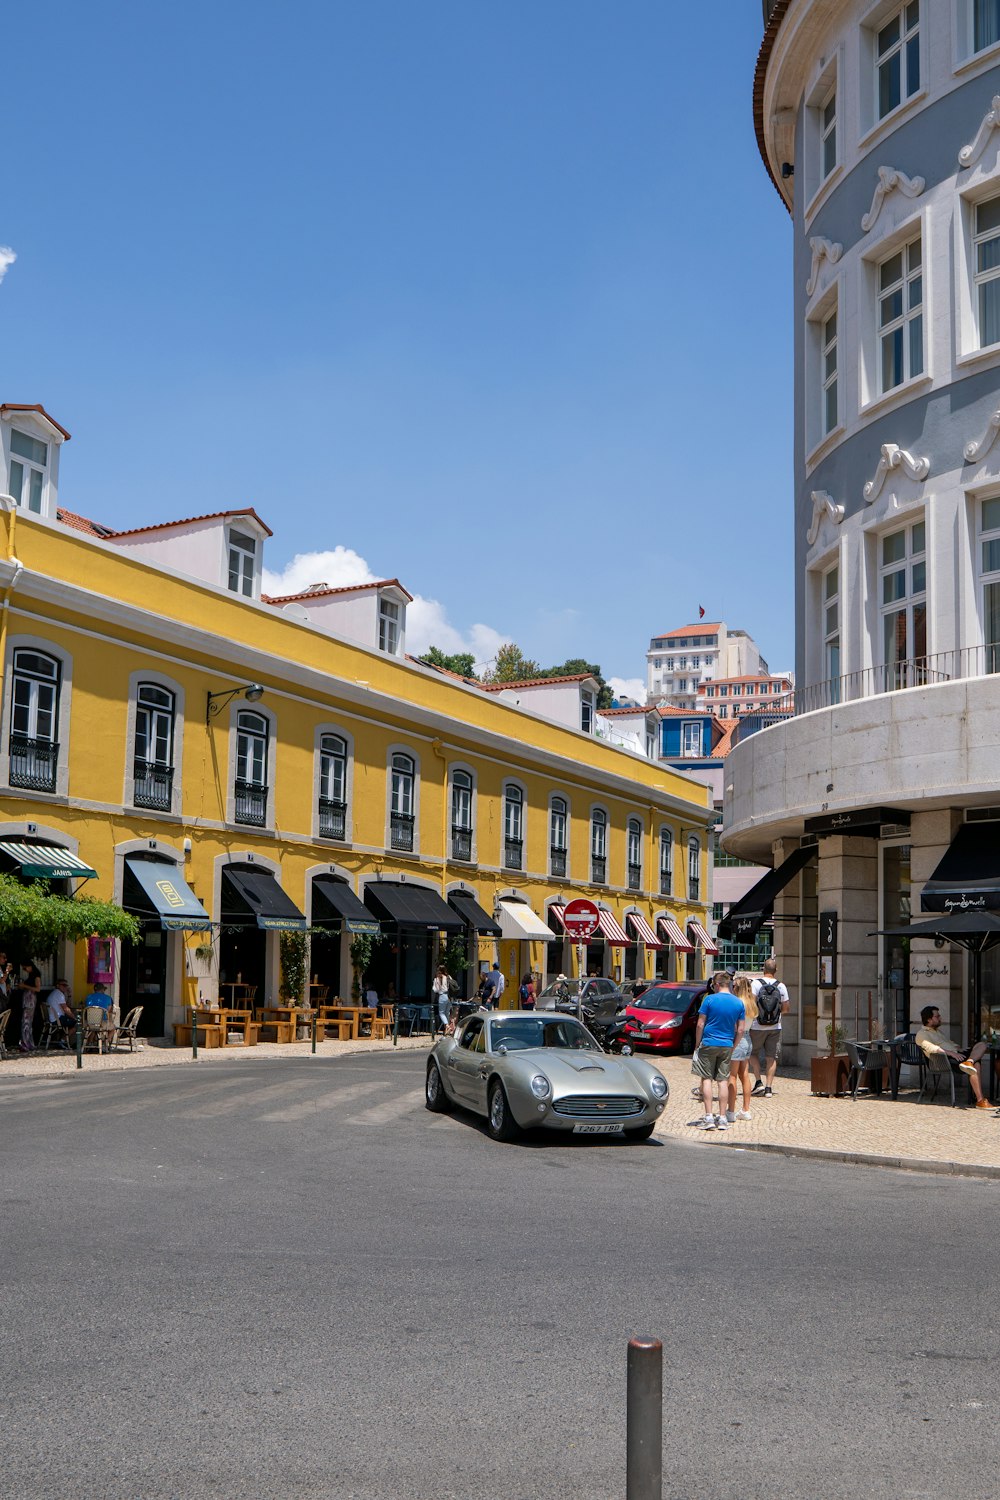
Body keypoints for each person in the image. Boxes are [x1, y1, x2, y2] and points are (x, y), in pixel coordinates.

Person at [690, 971, 745, 1131]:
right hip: (727, 1044)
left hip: (708, 1043)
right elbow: (740, 1029)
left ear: (717, 984)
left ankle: (708, 1117)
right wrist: (733, 1045)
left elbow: (700, 1024)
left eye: (714, 985)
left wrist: (697, 1043)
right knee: (723, 1081)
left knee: (706, 1079)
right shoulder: (738, 1003)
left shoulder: (709, 1000)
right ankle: (722, 1118)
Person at [915, 1005, 991, 1109]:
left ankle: (969, 1061)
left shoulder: (938, 1032)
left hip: (956, 1055)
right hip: (944, 1060)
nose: (940, 1018)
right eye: (937, 1016)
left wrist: (959, 1049)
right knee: (976, 1064)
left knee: (981, 1045)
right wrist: (952, 1053)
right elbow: (932, 1048)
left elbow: (950, 1043)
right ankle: (980, 1100)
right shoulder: (922, 1034)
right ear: (929, 1019)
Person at [749, 958, 790, 1098]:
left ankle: (758, 1082)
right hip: (775, 1026)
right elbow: (786, 1009)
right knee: (771, 1057)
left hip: (757, 1026)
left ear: (763, 969)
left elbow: (751, 1004)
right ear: (776, 970)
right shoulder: (781, 986)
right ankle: (768, 1088)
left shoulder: (755, 984)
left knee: (752, 1054)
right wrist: (774, 1014)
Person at [725, 972, 758, 1123]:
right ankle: (745, 1109)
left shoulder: (737, 1003)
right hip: (747, 1038)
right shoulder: (751, 1003)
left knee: (731, 1076)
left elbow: (734, 1026)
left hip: (737, 1038)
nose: (732, 988)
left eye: (734, 986)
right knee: (744, 1075)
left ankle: (730, 1111)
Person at [18, 961, 42, 1053]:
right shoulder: (30, 975)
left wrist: (25, 986)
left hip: (30, 1001)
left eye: (25, 968)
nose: (25, 970)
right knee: (27, 1023)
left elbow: (38, 989)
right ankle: (28, 1042)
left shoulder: (36, 976)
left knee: (26, 1022)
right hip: (27, 1000)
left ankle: (26, 1043)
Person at [46, 978, 76, 1046]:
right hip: (57, 1019)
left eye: (66, 985)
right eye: (63, 985)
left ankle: (63, 1040)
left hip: (52, 1018)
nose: (65, 987)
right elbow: (66, 1009)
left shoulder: (55, 993)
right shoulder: (59, 994)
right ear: (58, 985)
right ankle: (63, 1041)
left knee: (70, 1022)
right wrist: (75, 1018)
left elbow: (68, 1005)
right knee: (77, 1024)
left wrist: (69, 995)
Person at [431, 966, 452, 1034]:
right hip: (449, 997)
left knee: (441, 1013)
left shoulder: (437, 979)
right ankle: (446, 1030)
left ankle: (447, 1025)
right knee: (447, 1013)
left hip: (442, 996)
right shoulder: (448, 977)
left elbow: (435, 990)